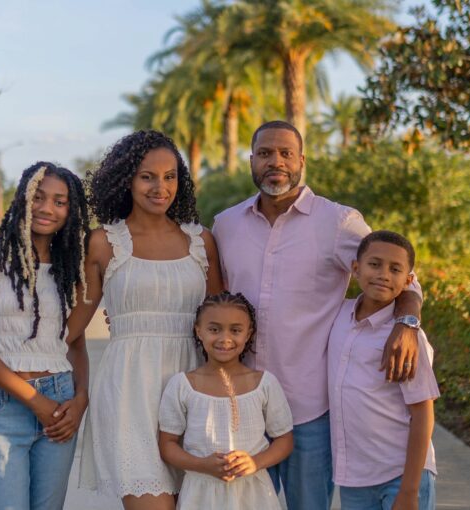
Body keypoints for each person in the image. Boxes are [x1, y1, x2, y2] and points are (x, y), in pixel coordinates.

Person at [212, 120, 424, 509]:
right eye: (264, 153)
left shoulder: (338, 222)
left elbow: (399, 275)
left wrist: (406, 323)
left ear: (301, 160)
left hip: (308, 409)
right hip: (240, 403)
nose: (275, 161)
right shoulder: (226, 225)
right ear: (251, 161)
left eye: (285, 153)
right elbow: (211, 301)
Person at [73, 130, 223, 510]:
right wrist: (9, 361)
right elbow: (70, 327)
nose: (161, 187)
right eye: (147, 176)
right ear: (126, 180)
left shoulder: (201, 241)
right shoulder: (103, 243)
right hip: (128, 392)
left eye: (170, 176)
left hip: (194, 392)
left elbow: (222, 320)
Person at [0, 162, 92, 510]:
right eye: (38, 196)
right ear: (22, 198)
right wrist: (36, 402)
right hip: (4, 405)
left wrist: (81, 400)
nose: (47, 208)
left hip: (62, 402)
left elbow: (73, 342)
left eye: (60, 201)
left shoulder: (70, 269)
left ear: (71, 210)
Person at [329, 231, 438, 510]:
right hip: (354, 477)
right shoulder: (338, 316)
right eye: (374, 264)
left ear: (409, 281)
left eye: (395, 269)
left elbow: (423, 412)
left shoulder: (408, 340)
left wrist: (409, 491)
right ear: (355, 268)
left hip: (400, 474)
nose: (384, 275)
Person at [159, 291, 294, 510]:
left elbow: (284, 440)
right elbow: (167, 444)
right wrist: (202, 465)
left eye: (235, 330)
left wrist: (254, 462)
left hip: (254, 495)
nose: (225, 338)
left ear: (248, 333)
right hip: (201, 496)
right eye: (214, 329)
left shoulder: (264, 383)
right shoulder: (183, 385)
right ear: (199, 331)